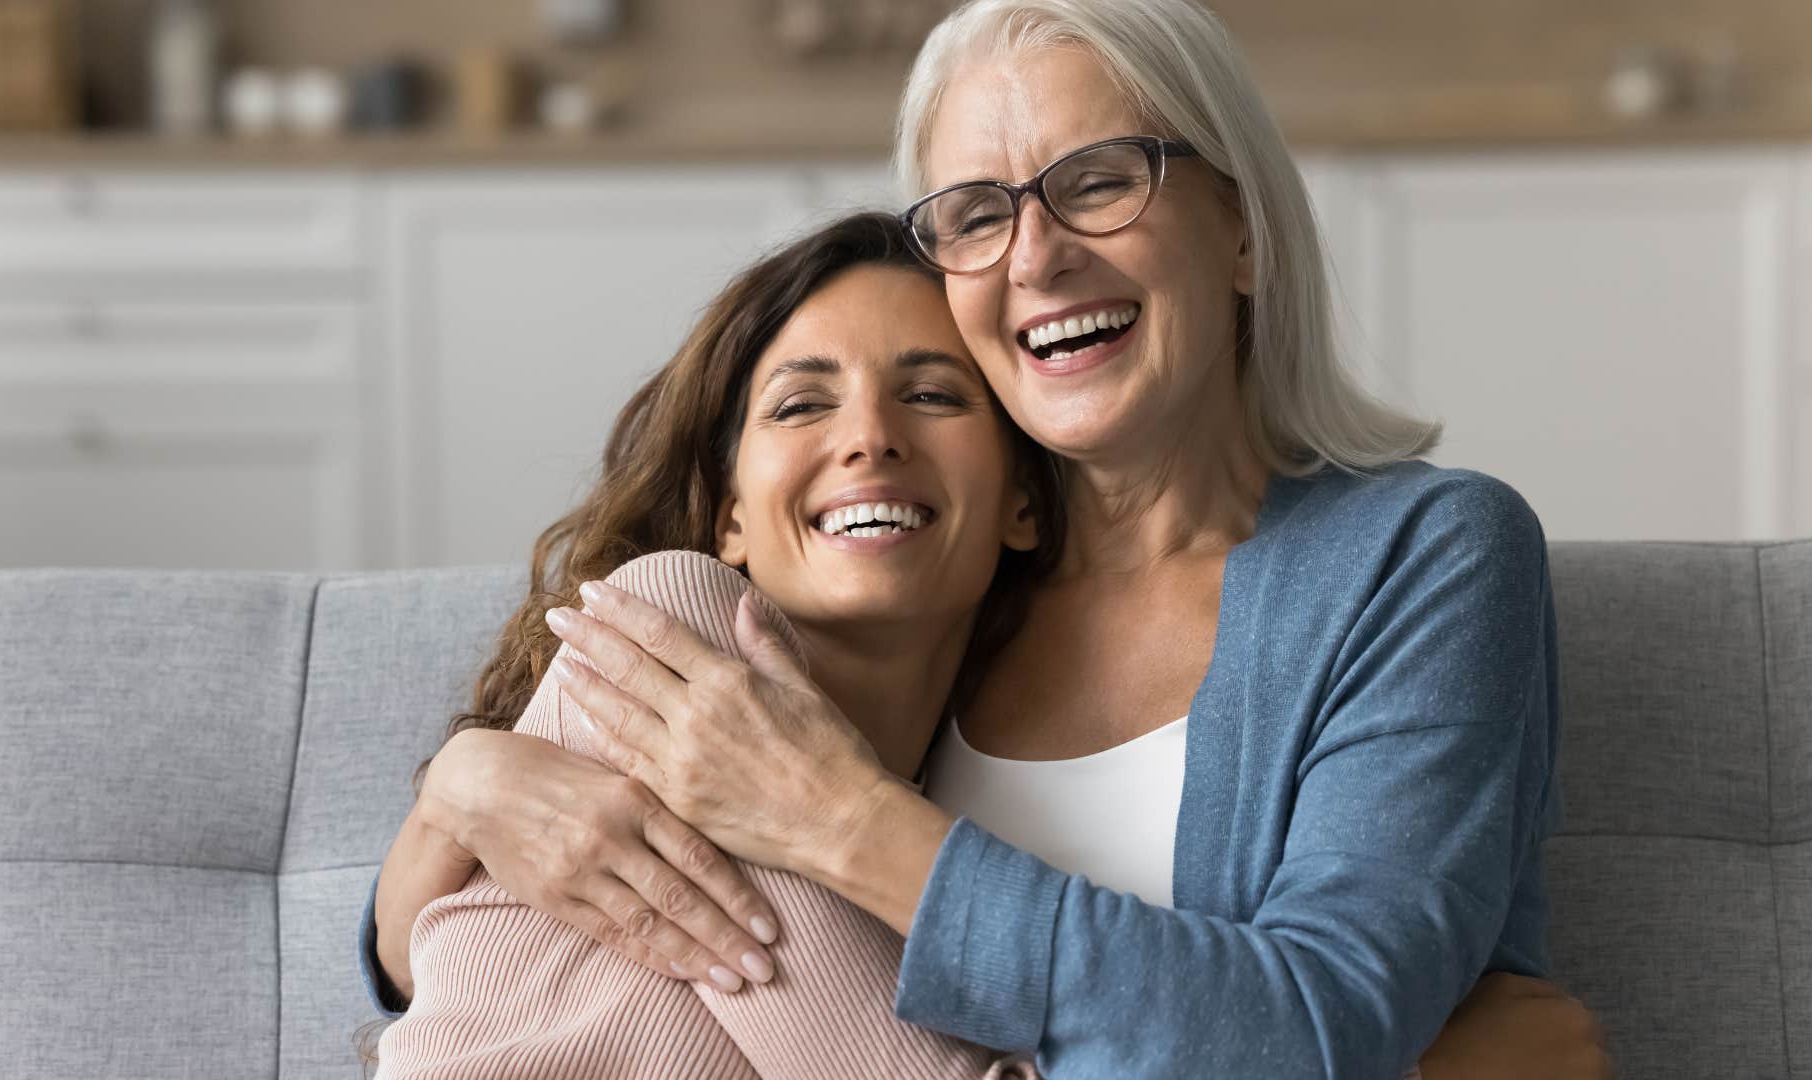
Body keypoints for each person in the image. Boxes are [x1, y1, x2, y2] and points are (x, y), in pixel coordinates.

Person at [366, 1, 1612, 1076]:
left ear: (1242, 229)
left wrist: (840, 819)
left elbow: (1318, 1024)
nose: (1040, 254)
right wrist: (464, 788)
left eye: (1101, 179)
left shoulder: (1423, 557)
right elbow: (521, 984)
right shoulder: (926, 587)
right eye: (975, 212)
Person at [370, 212, 1055, 1076]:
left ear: (1022, 503)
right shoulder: (668, 618)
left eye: (932, 395)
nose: (871, 436)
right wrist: (452, 792)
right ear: (730, 518)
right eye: (802, 404)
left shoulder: (945, 849)